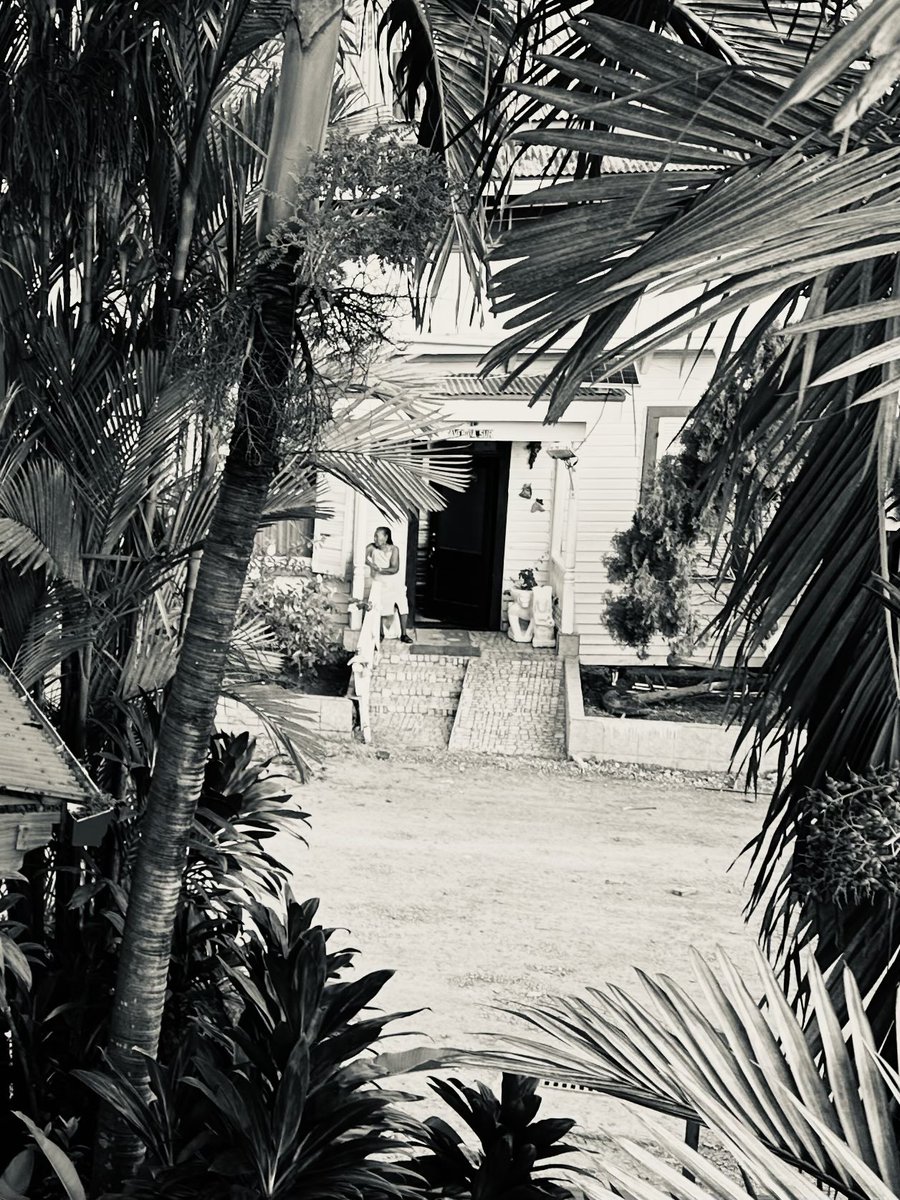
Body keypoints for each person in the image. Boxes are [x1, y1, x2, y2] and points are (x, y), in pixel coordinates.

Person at [365, 526, 413, 643]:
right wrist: (371, 565)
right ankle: (380, 633)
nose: (375, 538)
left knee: (402, 605)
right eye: (374, 536)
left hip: (394, 582)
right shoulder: (371, 548)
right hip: (379, 582)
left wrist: (379, 569)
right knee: (379, 606)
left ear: (386, 537)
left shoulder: (394, 549)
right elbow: (362, 557)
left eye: (377, 536)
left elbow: (394, 568)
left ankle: (403, 634)